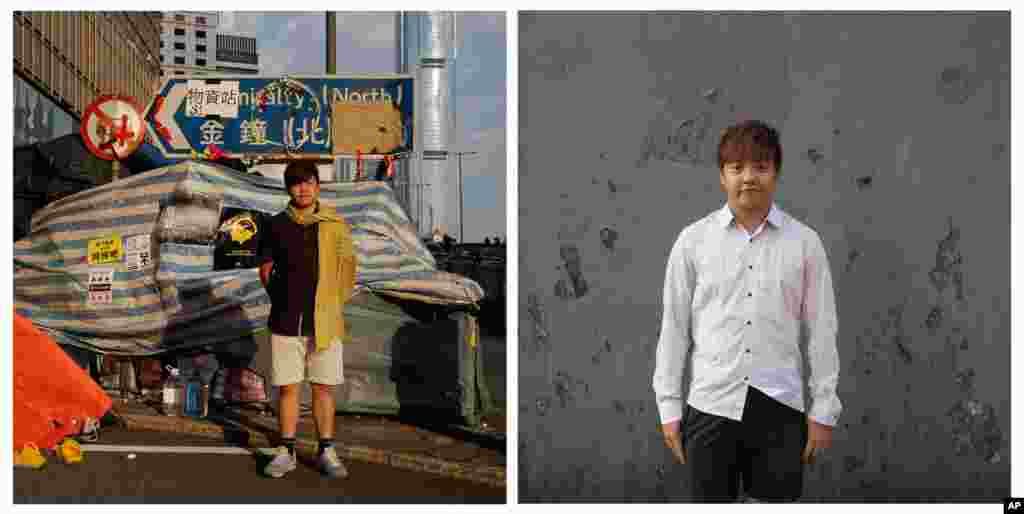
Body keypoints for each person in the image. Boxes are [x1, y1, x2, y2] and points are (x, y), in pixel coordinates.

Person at [652, 120, 841, 502]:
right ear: (722, 176)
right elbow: (674, 330)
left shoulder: (805, 245)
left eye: (760, 167)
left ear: (776, 172)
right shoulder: (692, 243)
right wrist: (669, 405)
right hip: (709, 405)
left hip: (779, 407)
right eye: (737, 168)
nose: (748, 178)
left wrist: (824, 408)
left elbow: (822, 330)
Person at [257, 160, 358, 479]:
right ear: (288, 188)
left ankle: (326, 449)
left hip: (324, 321)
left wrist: (332, 303)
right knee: (288, 388)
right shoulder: (275, 224)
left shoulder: (335, 224)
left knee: (323, 388)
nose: (303, 188)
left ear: (318, 185)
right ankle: (286, 449)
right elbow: (265, 269)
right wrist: (282, 297)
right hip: (286, 320)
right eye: (296, 183)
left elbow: (348, 271)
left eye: (309, 182)